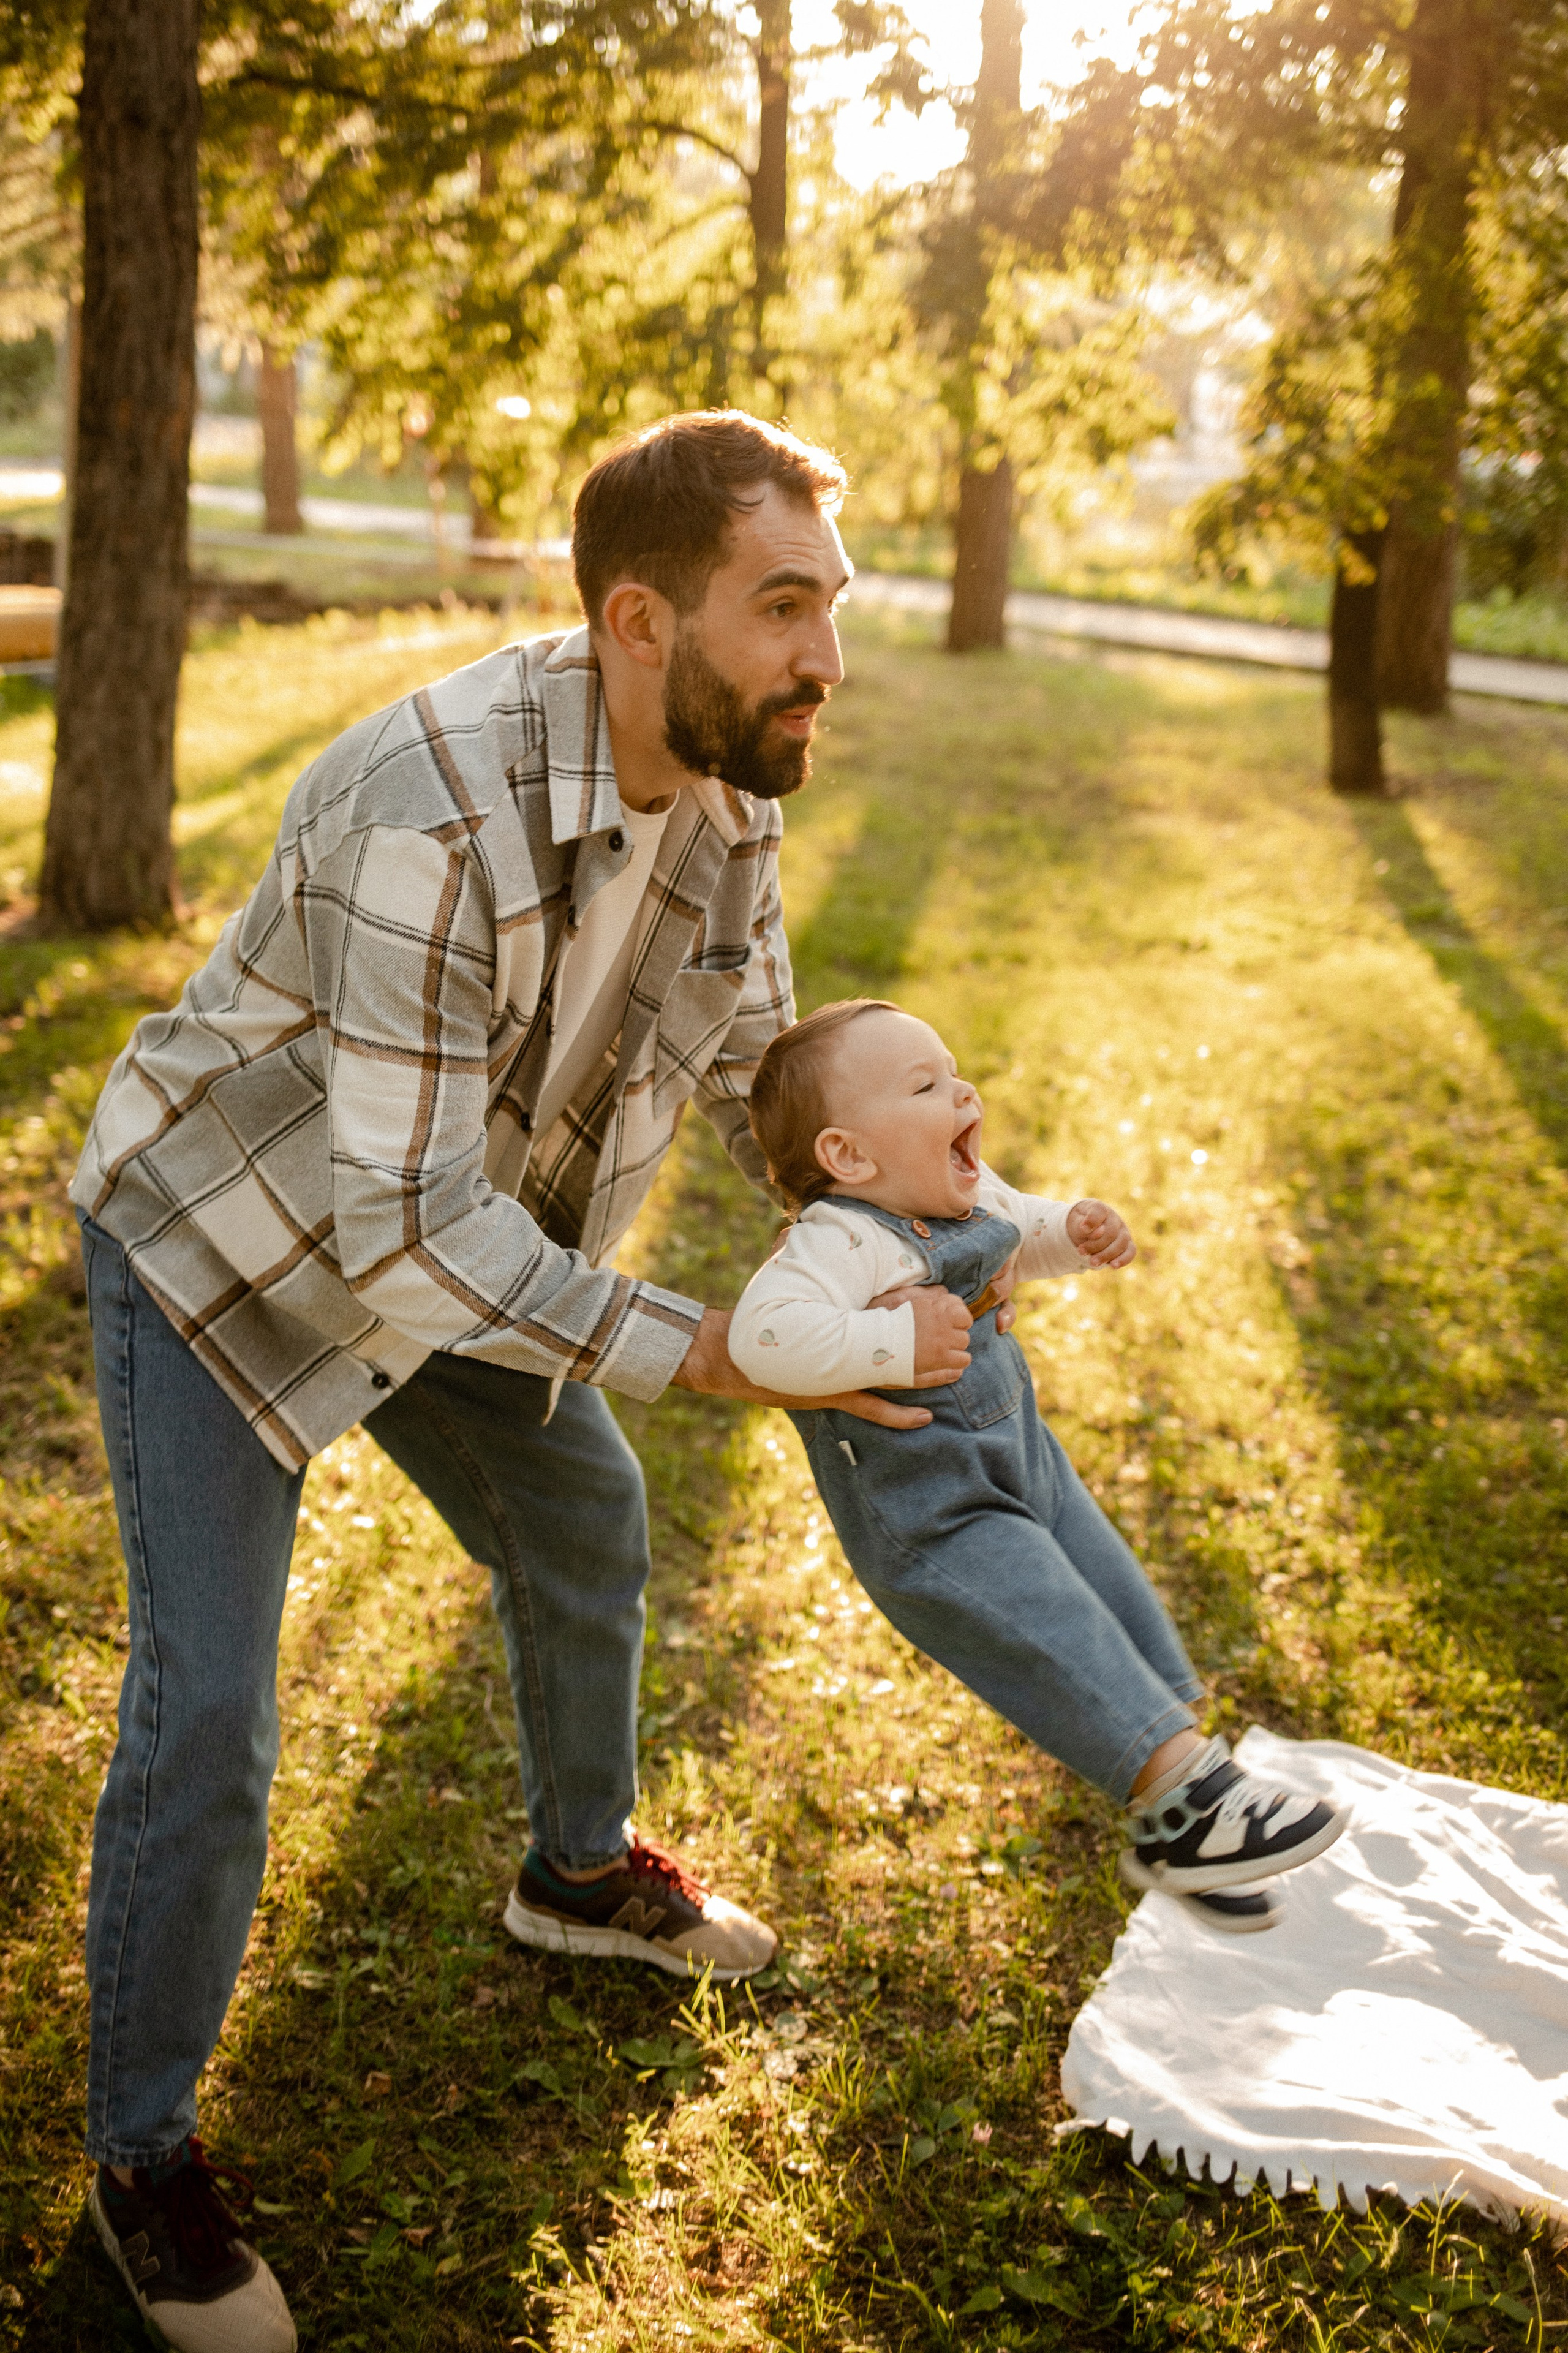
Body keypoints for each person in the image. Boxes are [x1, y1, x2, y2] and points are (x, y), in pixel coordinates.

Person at [69, 414, 978, 2353]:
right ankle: (140, 2161)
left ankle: (579, 1878)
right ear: (641, 621)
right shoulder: (433, 803)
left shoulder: (737, 787)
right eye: (788, 605)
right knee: (213, 1717)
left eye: (836, 602)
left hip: (459, 1244)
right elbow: (392, 1236)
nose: (830, 653)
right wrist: (719, 1350)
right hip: (229, 1252)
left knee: (589, 1518)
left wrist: (917, 1230)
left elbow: (760, 1070)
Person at [731, 998, 1349, 1937]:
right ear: (849, 1157)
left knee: (1114, 1602)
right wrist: (888, 1339)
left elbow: (1025, 1228)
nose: (962, 1089)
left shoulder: (966, 1192)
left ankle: (1180, 1826)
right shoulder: (835, 1242)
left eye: (955, 1069)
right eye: (927, 1085)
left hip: (1022, 1456)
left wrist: (1077, 1230)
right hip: (933, 1509)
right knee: (1053, 1627)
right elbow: (763, 1337)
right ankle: (1193, 1802)